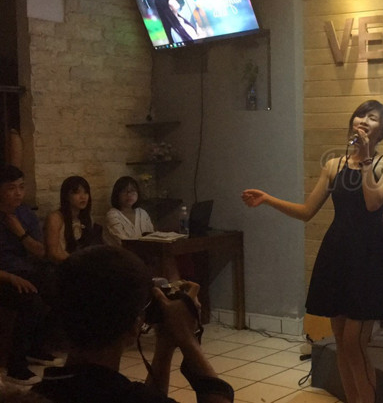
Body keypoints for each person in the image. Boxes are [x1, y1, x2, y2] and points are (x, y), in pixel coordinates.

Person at [242, 99, 383, 403]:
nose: (364, 120)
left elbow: (372, 203)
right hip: (337, 254)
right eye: (360, 115)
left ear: (382, 130)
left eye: (372, 117)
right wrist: (267, 199)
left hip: (368, 257)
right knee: (341, 342)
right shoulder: (334, 165)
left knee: (355, 342)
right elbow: (306, 212)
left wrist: (366, 159)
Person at [31, 245, 234, 403]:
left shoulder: (36, 394)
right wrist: (187, 338)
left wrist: (164, 348)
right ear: (134, 326)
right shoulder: (124, 396)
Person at [0, 164, 62, 385]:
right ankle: (15, 367)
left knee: (60, 286)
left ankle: (36, 348)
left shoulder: (24, 213)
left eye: (21, 187)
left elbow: (41, 252)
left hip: (25, 271)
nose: (18, 193)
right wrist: (11, 278)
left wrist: (19, 232)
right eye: (11, 188)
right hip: (3, 276)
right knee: (31, 301)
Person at [44, 176, 96, 263]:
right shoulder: (56, 218)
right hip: (62, 265)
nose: (83, 197)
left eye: (86, 192)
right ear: (67, 196)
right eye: (77, 192)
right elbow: (53, 253)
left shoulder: (87, 218)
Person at [103, 176, 155, 245]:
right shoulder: (112, 215)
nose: (129, 195)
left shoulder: (142, 213)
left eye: (132, 191)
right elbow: (122, 242)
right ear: (117, 194)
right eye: (124, 191)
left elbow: (152, 236)